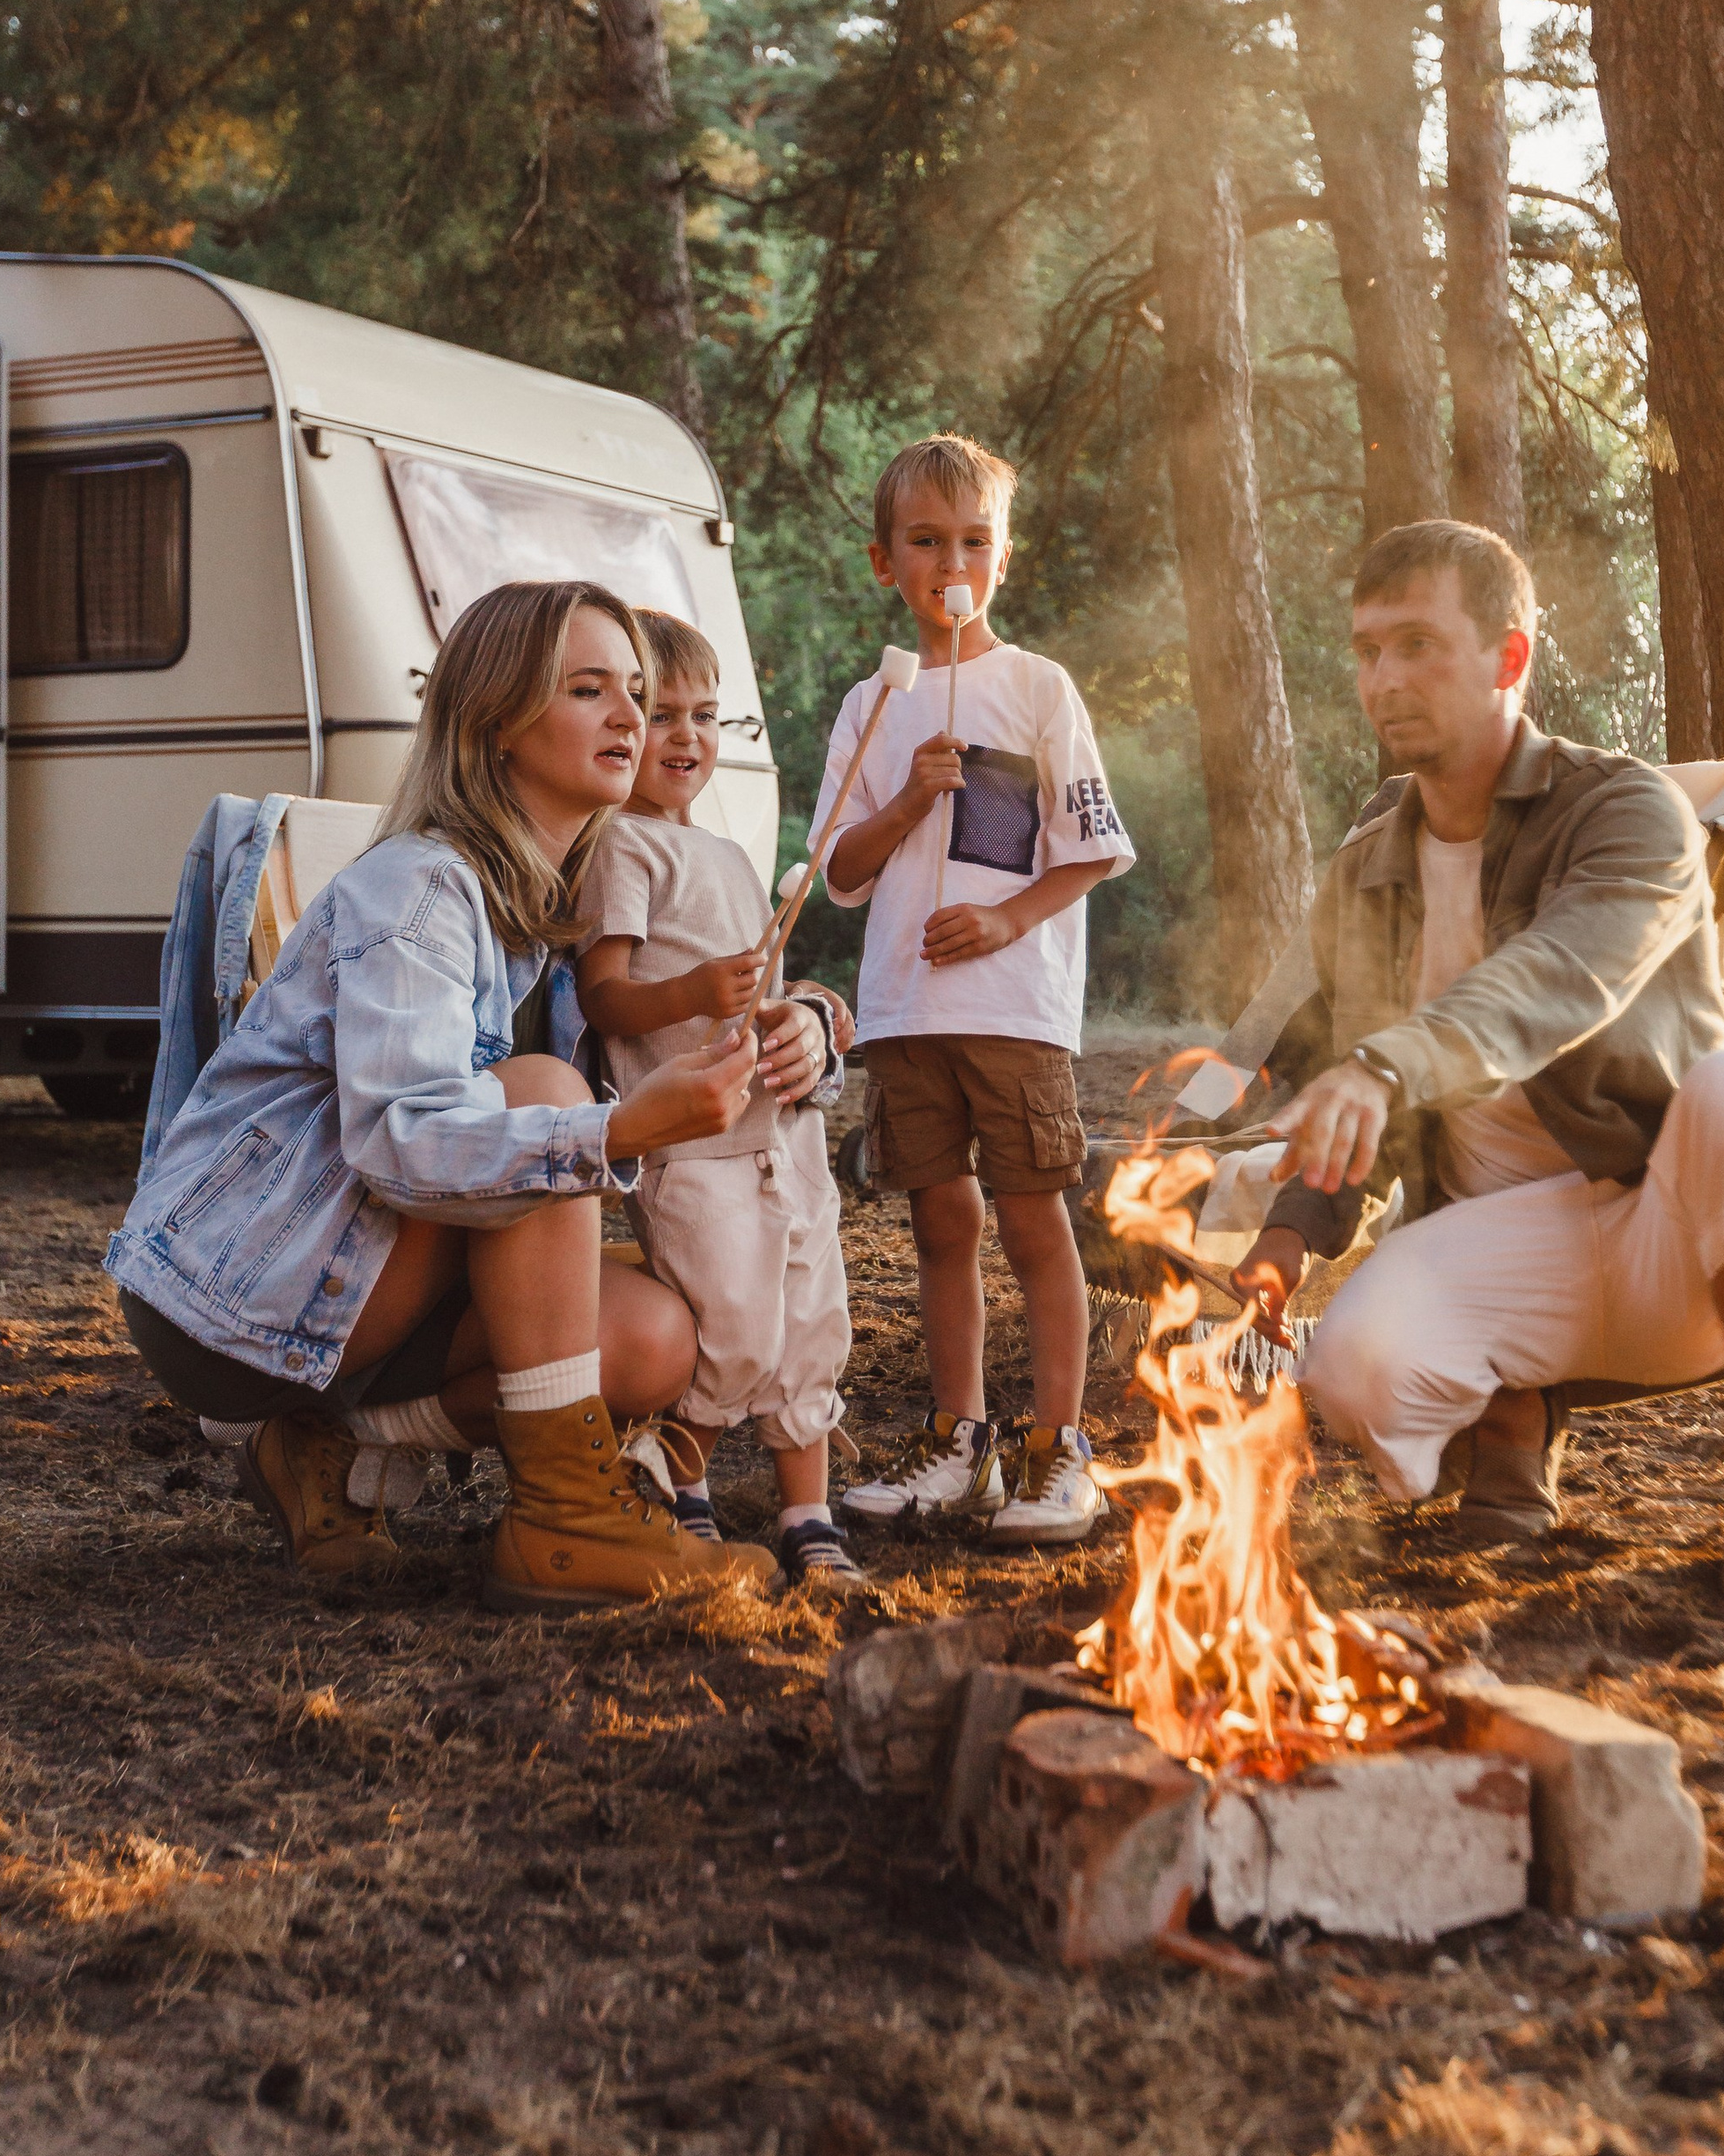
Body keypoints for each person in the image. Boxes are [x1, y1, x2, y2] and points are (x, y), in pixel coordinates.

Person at [107, 580, 780, 1611]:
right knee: (540, 1093)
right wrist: (614, 1126)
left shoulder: (543, 905)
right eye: (588, 689)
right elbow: (403, 1143)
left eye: (635, 692)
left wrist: (811, 1027)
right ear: (496, 722)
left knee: (650, 1342)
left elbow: (725, 988)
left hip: (349, 1281)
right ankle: (563, 1522)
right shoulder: (418, 888)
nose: (630, 717)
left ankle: (323, 1445)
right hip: (236, 1295)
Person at [1230, 520, 1724, 1613]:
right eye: (1368, 651)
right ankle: (1511, 1415)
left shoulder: (1627, 812)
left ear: (1509, 658)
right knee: (1351, 1368)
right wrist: (1279, 1255)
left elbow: (1566, 973)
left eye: (1418, 643)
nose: (1384, 678)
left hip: (1664, 1220)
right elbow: (1354, 1113)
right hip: (1500, 1239)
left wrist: (1386, 1063)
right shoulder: (1364, 871)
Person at [812, 434, 1135, 1547]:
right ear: (883, 563)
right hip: (906, 1012)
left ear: (1004, 557)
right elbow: (838, 874)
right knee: (939, 1219)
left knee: (1033, 1216)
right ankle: (961, 1442)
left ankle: (1059, 1450)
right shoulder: (871, 707)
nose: (953, 562)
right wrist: (904, 800)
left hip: (1010, 1011)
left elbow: (1089, 850)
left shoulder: (1038, 687)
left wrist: (1003, 917)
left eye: (975, 541)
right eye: (926, 542)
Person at [574, 611, 867, 1597]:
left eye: (705, 717)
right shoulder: (623, 849)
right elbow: (603, 994)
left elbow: (765, 990)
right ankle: (674, 1487)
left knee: (811, 1322)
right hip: (695, 1154)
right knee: (733, 1323)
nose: (687, 737)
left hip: (785, 1137)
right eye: (661, 715)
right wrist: (694, 995)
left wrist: (796, 1023)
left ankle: (806, 1513)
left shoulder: (738, 858)